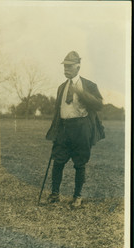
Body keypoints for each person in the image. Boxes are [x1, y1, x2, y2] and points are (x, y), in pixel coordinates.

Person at [46, 51, 105, 208]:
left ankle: (77, 197)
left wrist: (80, 92)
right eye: (64, 66)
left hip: (81, 129)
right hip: (64, 129)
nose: (66, 69)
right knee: (58, 161)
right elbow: (58, 110)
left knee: (80, 163)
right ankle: (55, 194)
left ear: (78, 67)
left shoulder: (89, 85)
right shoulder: (61, 87)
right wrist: (55, 130)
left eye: (69, 66)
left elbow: (99, 105)